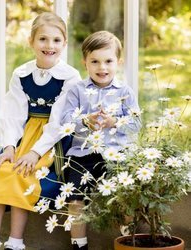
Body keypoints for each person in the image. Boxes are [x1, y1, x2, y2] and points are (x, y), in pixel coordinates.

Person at [0, 12, 81, 250]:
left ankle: (16, 242)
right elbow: (13, 113)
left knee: (23, 174)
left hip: (51, 142)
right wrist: (9, 147)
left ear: (64, 43)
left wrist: (35, 153)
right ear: (32, 41)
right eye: (43, 39)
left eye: (56, 40)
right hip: (23, 136)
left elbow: (58, 122)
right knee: (1, 170)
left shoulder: (70, 77)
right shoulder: (22, 73)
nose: (49, 46)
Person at [60, 31, 141, 250]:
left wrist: (114, 121)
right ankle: (79, 244)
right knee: (75, 198)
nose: (101, 67)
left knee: (125, 196)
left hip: (116, 154)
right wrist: (85, 121)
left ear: (119, 62)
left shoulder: (125, 91)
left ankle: (129, 241)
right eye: (94, 61)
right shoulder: (76, 90)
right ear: (85, 62)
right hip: (82, 154)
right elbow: (66, 120)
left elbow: (137, 123)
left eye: (108, 61)